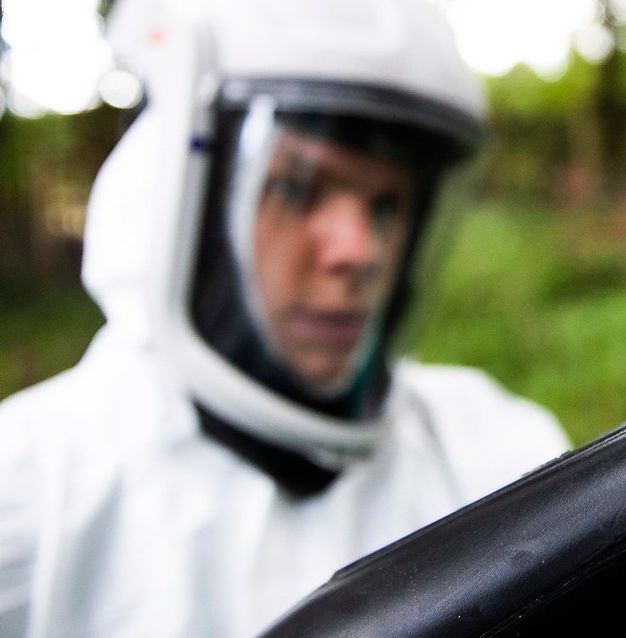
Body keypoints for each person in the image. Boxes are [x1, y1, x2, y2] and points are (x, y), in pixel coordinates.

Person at [0, 0, 569, 635]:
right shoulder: (26, 493)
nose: (361, 251)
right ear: (183, 201)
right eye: (296, 189)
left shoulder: (500, 454)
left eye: (388, 206)